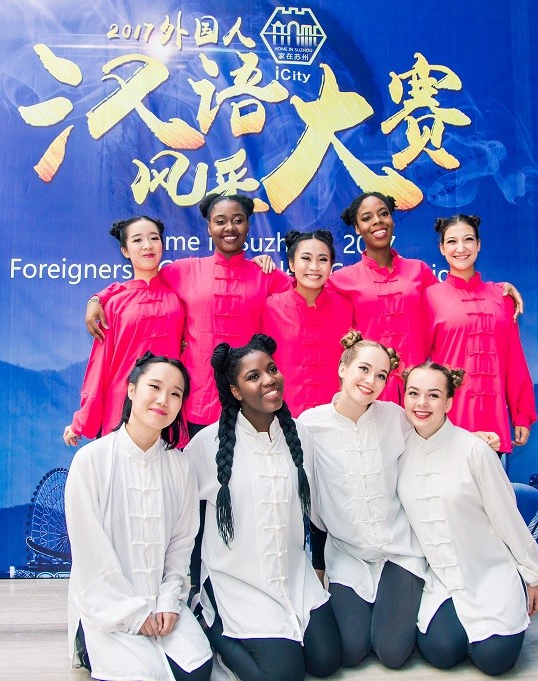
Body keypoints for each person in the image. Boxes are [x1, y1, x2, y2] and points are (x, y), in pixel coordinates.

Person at [185, 334, 342, 681]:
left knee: (327, 661)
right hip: (238, 582)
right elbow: (188, 525)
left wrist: (317, 565)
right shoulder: (205, 446)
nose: (269, 379)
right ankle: (208, 620)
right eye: (253, 376)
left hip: (293, 574)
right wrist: (193, 582)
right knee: (283, 674)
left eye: (272, 369)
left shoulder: (300, 436)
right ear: (236, 391)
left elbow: (314, 511)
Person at [85, 194, 290, 435]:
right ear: (209, 228)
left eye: (238, 220)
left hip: (248, 397)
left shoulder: (264, 274)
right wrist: (98, 298)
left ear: (247, 225)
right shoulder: (185, 270)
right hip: (196, 399)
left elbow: (305, 290)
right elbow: (143, 283)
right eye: (220, 221)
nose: (229, 228)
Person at [64, 352, 213, 681]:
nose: (163, 400)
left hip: (160, 600)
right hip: (107, 602)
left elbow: (181, 543)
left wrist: (168, 600)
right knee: (141, 674)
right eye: (154, 387)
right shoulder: (91, 461)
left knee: (197, 669)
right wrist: (131, 612)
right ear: (131, 390)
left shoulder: (180, 466)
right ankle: (86, 644)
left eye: (175, 393)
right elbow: (90, 553)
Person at [399, 362, 538, 676]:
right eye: (413, 393)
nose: (422, 403)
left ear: (449, 403)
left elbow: (507, 516)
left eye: (433, 395)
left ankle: (514, 592)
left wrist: (531, 575)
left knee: (494, 661)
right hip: (442, 579)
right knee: (441, 653)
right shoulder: (397, 450)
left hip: (487, 572)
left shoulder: (474, 450)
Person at [297, 331, 425, 669]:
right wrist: (317, 566)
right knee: (351, 651)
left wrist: (475, 438)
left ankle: (408, 605)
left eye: (381, 375)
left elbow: (434, 439)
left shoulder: (395, 417)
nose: (371, 381)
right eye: (364, 369)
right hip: (347, 553)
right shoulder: (310, 426)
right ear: (343, 368)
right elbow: (309, 500)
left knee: (392, 653)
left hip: (398, 550)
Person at [328, 194, 524, 404]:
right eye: (367, 218)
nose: (377, 221)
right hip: (369, 392)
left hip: (417, 394)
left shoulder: (419, 271)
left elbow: (453, 297)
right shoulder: (341, 280)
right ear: (357, 228)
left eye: (383, 213)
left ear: (392, 219)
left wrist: (496, 289)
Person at [63, 216, 185, 446]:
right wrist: (81, 421)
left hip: (167, 411)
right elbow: (100, 367)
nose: (147, 245)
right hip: (121, 411)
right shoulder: (114, 303)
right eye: (137, 240)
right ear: (125, 251)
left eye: (154, 238)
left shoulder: (179, 296)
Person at [425, 214, 536, 456]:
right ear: (442, 248)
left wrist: (522, 414)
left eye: (468, 239)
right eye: (452, 242)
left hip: (494, 423)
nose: (461, 248)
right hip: (449, 422)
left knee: (490, 480)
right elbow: (416, 362)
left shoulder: (501, 297)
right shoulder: (429, 296)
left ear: (478, 244)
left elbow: (514, 360)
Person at [260, 230, 354, 417]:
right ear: (291, 264)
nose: (314, 267)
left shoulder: (345, 306)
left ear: (331, 265)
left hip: (335, 414)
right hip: (285, 415)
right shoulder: (271, 306)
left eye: (323, 259)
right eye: (306, 258)